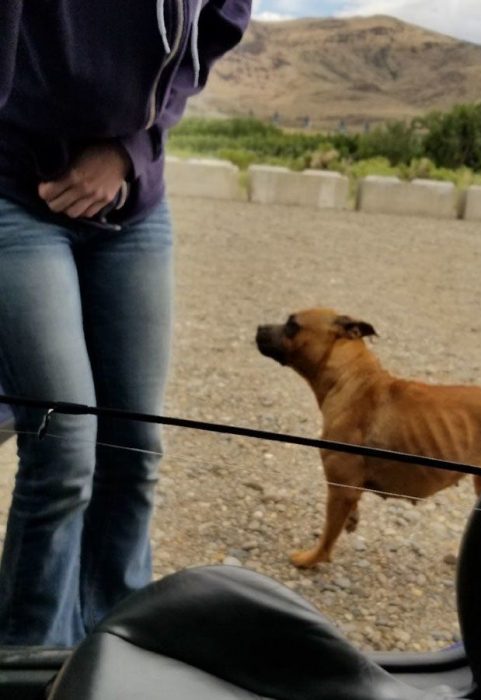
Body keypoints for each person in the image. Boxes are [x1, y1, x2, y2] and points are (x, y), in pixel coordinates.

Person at [0, 0, 252, 647]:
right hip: (13, 187)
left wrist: (130, 147)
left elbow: (224, 13)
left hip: (132, 201)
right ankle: (30, 661)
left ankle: (117, 650)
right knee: (63, 443)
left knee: (135, 449)